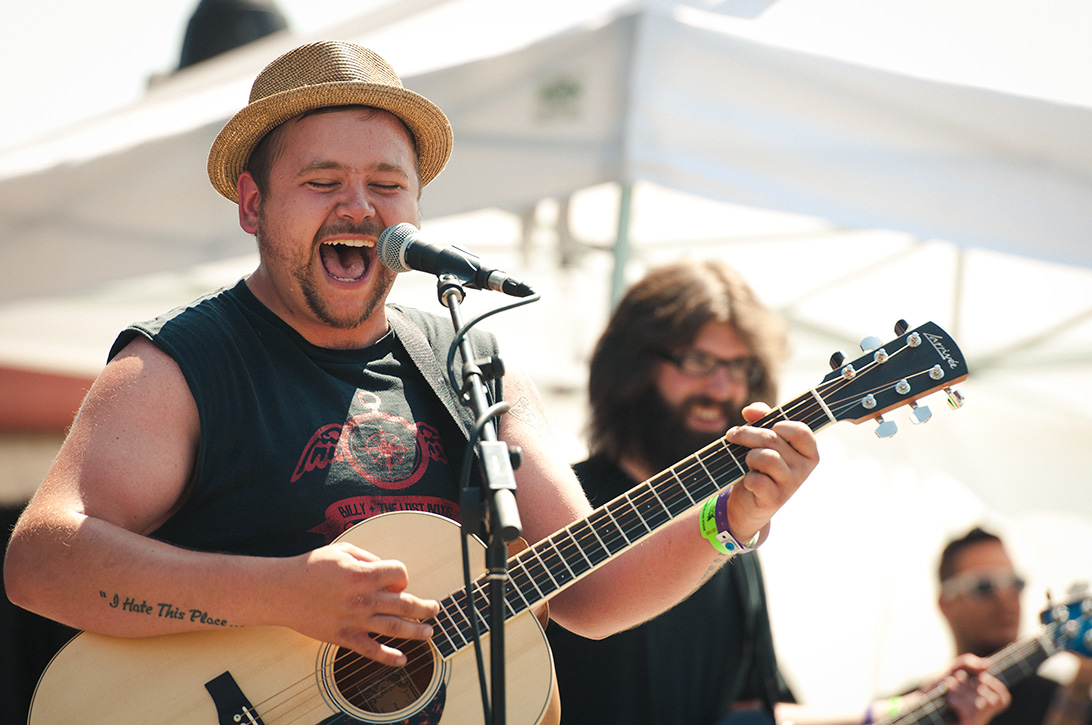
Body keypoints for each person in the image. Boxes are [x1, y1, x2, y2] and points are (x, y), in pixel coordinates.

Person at [2, 41, 819, 722]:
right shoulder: (178, 365)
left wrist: (731, 519)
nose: (360, 206)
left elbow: (588, 591)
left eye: (388, 184)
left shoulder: (472, 361)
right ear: (253, 204)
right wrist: (284, 593)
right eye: (323, 181)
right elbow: (41, 562)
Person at [546, 259, 1014, 725]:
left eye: (741, 367)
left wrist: (908, 709)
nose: (722, 387)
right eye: (698, 361)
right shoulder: (559, 504)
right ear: (631, 367)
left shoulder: (733, 539)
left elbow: (750, 717)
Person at [935, 527, 1092, 725]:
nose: (1005, 599)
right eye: (984, 587)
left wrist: (1080, 688)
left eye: (1015, 583)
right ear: (945, 603)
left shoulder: (1061, 699)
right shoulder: (911, 707)